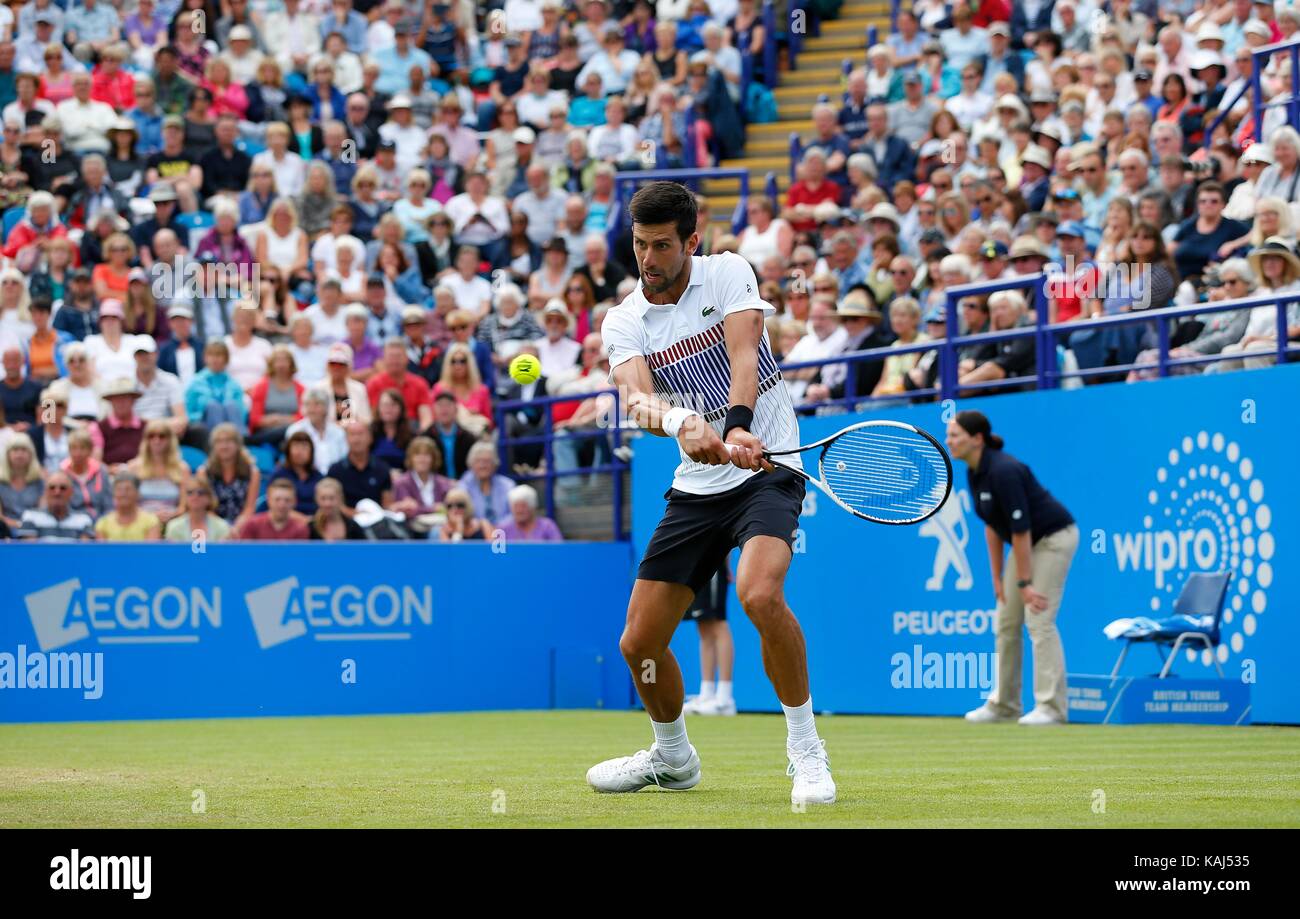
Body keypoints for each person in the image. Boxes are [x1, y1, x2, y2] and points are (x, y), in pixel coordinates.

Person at [586, 182, 833, 805]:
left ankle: (806, 751)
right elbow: (636, 397)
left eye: (662, 245)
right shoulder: (624, 319)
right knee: (638, 643)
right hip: (695, 489)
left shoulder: (727, 274)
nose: (648, 258)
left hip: (768, 468)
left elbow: (746, 349)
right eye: (640, 244)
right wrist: (678, 422)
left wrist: (739, 422)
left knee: (759, 595)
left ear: (691, 241)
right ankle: (673, 756)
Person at [948, 411, 1079, 726]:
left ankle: (1051, 707)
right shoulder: (975, 471)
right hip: (1027, 544)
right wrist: (996, 577)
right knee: (1006, 620)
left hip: (1052, 539)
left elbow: (1021, 531)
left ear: (977, 439)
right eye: (948, 435)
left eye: (955, 435)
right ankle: (1005, 705)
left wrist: (1025, 583)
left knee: (1039, 620)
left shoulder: (1005, 471)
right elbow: (992, 527)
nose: (948, 441)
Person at [680, 561, 736, 716]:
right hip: (694, 566)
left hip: (712, 563)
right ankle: (707, 694)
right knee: (703, 628)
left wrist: (725, 563)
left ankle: (725, 699)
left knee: (718, 624)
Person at [197, 422, 260, 528]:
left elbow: (249, 508)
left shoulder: (253, 472)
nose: (224, 446)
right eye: (219, 442)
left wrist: (236, 527)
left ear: (238, 444)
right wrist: (222, 528)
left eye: (228, 441)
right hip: (212, 524)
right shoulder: (203, 472)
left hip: (242, 525)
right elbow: (205, 507)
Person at [16, 472, 96, 541]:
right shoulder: (30, 517)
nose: (57, 492)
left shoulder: (83, 520)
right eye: (52, 488)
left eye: (63, 488)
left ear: (71, 492)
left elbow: (85, 553)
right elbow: (29, 553)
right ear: (45, 492)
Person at [457, 441, 514, 528]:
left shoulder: (508, 485)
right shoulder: (463, 486)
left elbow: (514, 514)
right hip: (475, 533)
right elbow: (461, 514)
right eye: (478, 461)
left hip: (504, 533)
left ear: (495, 464)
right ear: (471, 464)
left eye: (487, 461)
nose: (482, 465)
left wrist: (498, 527)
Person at [268, 429, 324, 515]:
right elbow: (273, 505)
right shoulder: (279, 476)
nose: (299, 452)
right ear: (288, 451)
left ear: (311, 452)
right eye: (296, 447)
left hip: (316, 522)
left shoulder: (319, 477)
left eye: (304, 447)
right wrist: (304, 520)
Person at [95, 473, 162, 541]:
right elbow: (101, 550)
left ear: (138, 493)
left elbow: (151, 550)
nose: (123, 494)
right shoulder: (103, 523)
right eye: (119, 489)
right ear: (113, 494)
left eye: (128, 489)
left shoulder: (151, 521)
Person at [237, 477, 310, 540]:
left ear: (294, 502)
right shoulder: (252, 524)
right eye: (277, 499)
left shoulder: (300, 528)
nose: (282, 505)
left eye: (287, 500)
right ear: (269, 500)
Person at [163, 477, 232, 542]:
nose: (195, 496)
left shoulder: (221, 526)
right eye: (190, 492)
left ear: (209, 498)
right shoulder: (174, 526)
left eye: (201, 492)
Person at [498, 483, 562, 541]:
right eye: (515, 506)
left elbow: (559, 550)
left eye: (523, 506)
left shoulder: (547, 526)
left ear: (533, 507)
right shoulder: (504, 528)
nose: (519, 510)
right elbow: (496, 551)